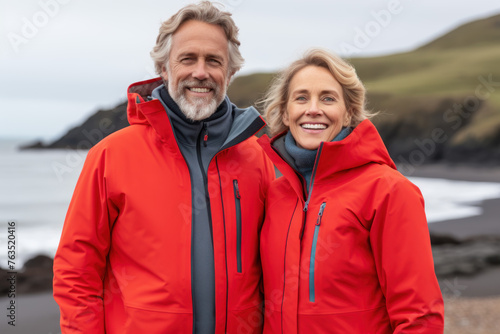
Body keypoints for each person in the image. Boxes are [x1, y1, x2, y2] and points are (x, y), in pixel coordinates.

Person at [53, 2, 275, 333]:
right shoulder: (111, 156)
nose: (200, 72)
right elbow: (75, 272)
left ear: (229, 73)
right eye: (188, 58)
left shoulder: (259, 158)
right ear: (164, 68)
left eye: (213, 61)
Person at [257, 48, 444, 333]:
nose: (313, 109)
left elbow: (420, 317)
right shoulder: (275, 194)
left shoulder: (389, 191)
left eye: (328, 98)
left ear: (349, 114)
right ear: (285, 112)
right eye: (301, 97)